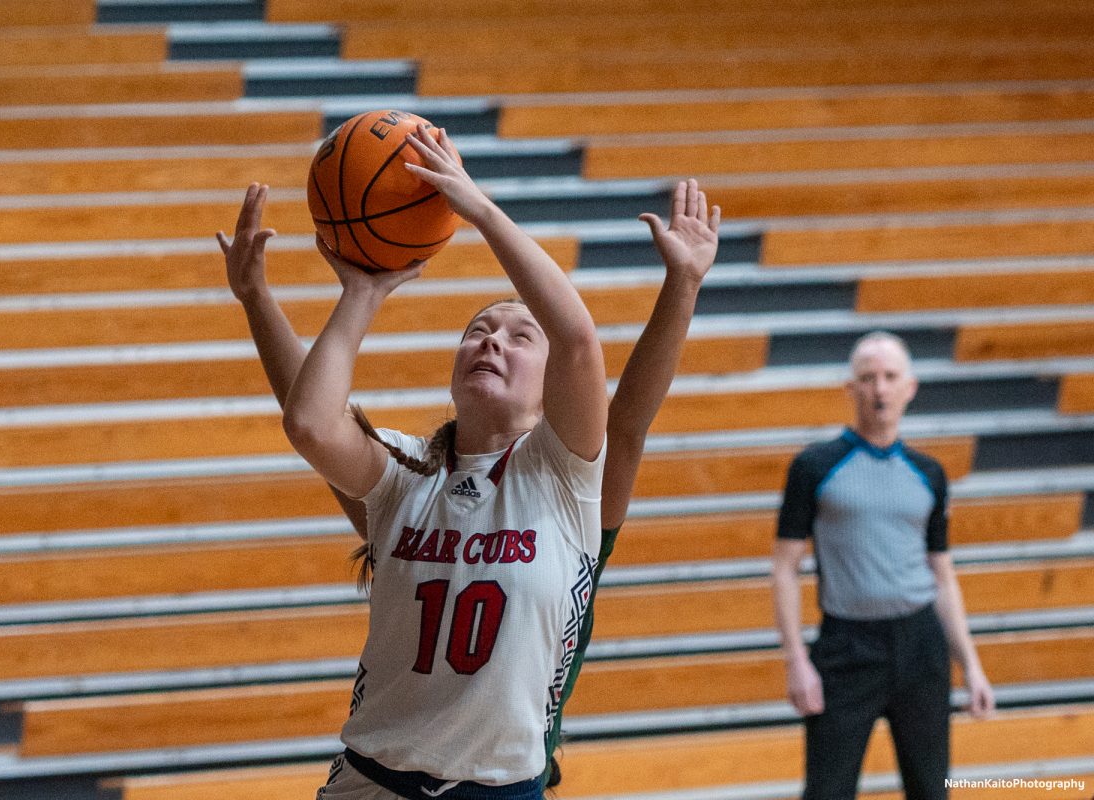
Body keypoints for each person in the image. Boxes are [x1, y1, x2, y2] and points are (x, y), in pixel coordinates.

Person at [222, 163, 718, 792]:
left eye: (518, 336)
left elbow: (584, 355)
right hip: (374, 780)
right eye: (478, 331)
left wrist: (479, 209)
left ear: (553, 390)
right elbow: (313, 422)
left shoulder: (565, 479)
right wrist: (303, 296)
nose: (492, 342)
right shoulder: (405, 475)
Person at [770, 331, 997, 800]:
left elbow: (941, 573)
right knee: (827, 791)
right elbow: (784, 568)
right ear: (851, 388)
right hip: (846, 647)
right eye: (868, 378)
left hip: (921, 647)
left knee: (932, 790)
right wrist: (796, 660)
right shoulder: (814, 467)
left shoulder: (929, 473)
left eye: (890, 377)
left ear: (909, 387)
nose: (880, 389)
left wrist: (971, 666)